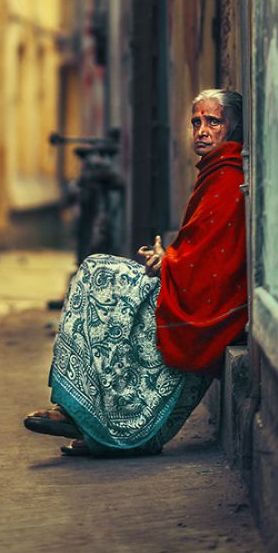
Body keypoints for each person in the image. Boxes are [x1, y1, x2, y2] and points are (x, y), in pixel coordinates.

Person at [24, 89, 248, 457]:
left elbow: (213, 265)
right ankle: (83, 415)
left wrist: (169, 263)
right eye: (196, 122)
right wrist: (169, 258)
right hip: (187, 288)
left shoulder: (227, 178)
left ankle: (89, 418)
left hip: (206, 309)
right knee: (96, 271)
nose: (202, 131)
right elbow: (202, 250)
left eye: (213, 122)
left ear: (232, 127)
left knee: (97, 274)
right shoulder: (215, 173)